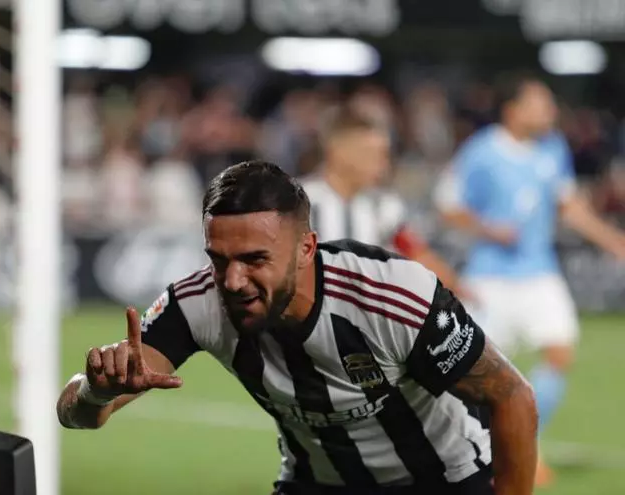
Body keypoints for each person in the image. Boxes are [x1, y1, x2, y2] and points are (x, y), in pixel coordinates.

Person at [58, 161, 538, 495]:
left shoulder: (390, 296)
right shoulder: (196, 303)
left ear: (306, 249)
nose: (233, 281)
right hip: (317, 484)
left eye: (254, 260)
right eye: (218, 259)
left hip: (446, 480)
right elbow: (76, 413)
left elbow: (511, 395)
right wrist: (97, 391)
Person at [434, 72, 625, 486]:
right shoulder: (482, 152)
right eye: (541, 103)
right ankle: (465, 451)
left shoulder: (552, 149)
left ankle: (525, 445)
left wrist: (613, 240)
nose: (550, 111)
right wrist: (488, 229)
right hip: (491, 279)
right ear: (513, 109)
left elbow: (570, 207)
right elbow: (448, 205)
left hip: (540, 273)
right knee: (476, 374)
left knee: (559, 352)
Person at [301, 107, 470, 300]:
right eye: (372, 154)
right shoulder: (300, 202)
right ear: (338, 152)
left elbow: (417, 253)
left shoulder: (386, 207)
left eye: (384, 155)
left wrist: (458, 290)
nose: (383, 165)